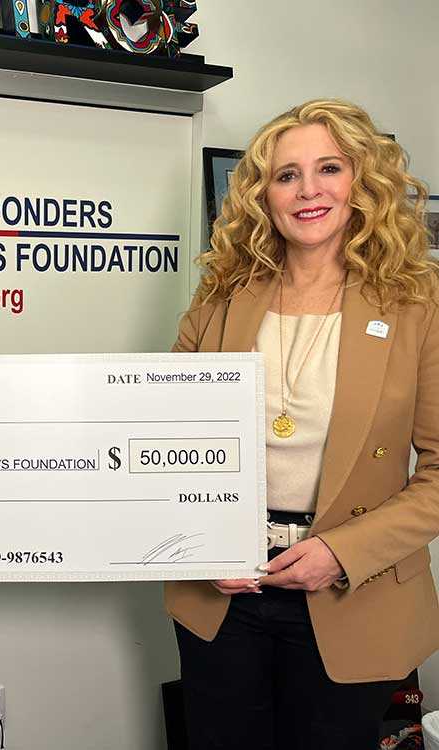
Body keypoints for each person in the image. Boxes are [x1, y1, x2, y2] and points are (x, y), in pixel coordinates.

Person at [168, 99, 439, 748]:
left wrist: (342, 554)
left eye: (329, 168)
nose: (308, 190)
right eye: (286, 175)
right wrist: (201, 539)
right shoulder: (221, 298)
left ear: (363, 182)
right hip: (222, 595)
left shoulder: (418, 307)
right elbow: (165, 440)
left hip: (353, 595)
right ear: (263, 194)